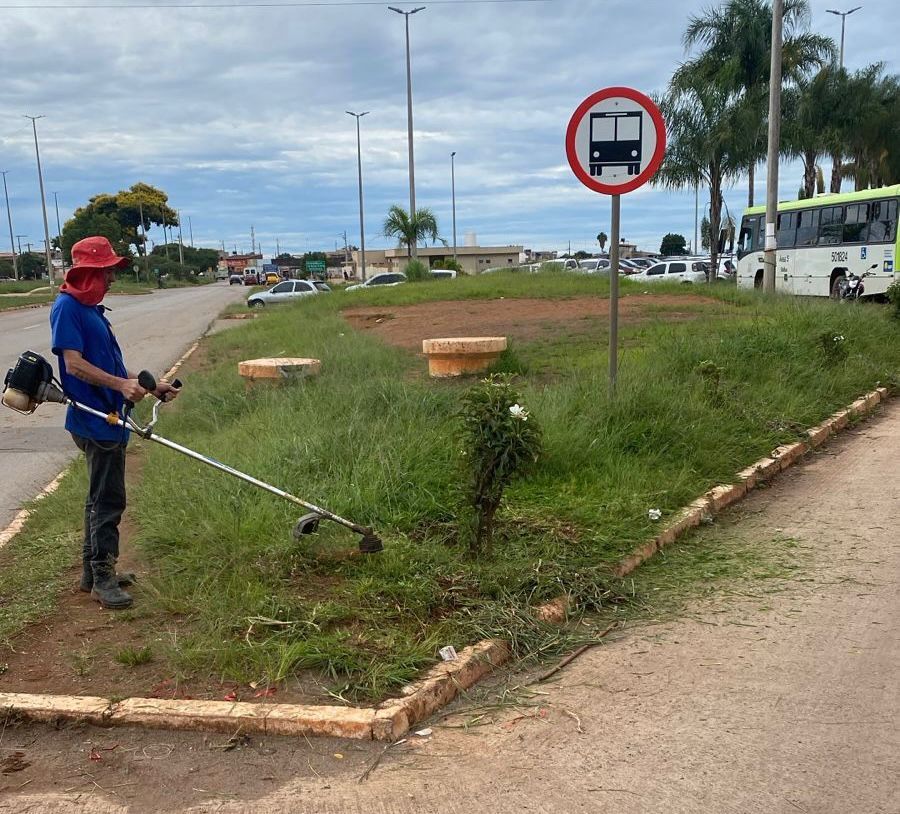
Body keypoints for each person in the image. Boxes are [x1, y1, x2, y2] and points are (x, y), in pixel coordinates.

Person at [50, 236, 179, 610]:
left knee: (97, 499)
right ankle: (103, 578)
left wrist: (151, 386)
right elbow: (73, 364)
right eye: (107, 273)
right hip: (94, 420)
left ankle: (92, 573)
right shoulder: (67, 308)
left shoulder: (91, 311)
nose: (112, 280)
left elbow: (115, 369)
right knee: (108, 501)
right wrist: (121, 385)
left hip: (111, 417)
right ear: (88, 272)